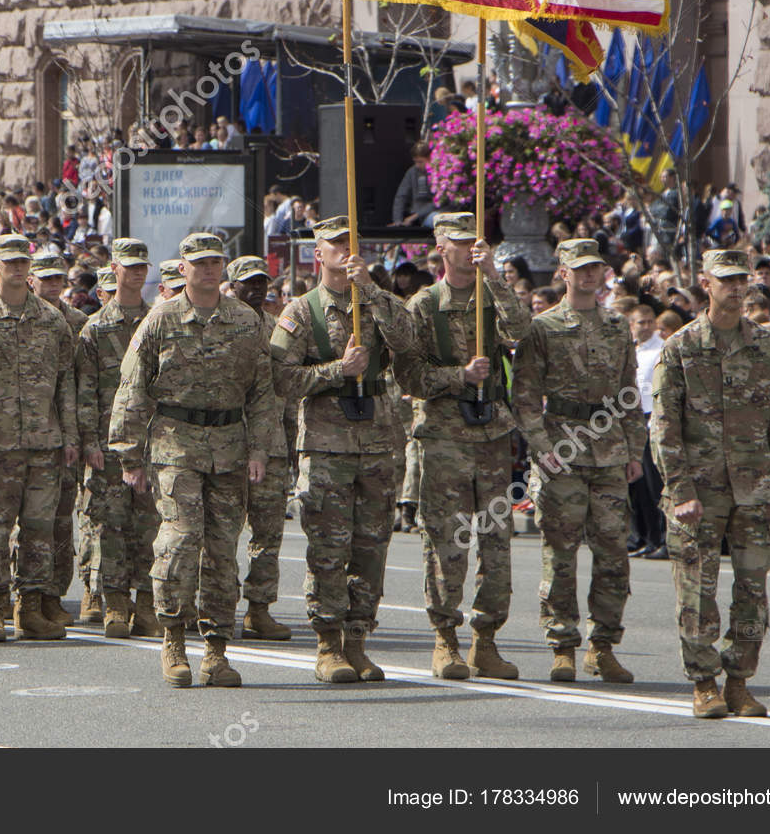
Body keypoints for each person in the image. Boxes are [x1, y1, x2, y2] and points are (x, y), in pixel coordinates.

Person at [108, 232, 284, 688]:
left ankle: (217, 651)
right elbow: (132, 389)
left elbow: (263, 392)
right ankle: (172, 638)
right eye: (199, 262)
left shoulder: (247, 321)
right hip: (175, 446)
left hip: (229, 447)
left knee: (223, 551)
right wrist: (129, 455)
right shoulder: (161, 320)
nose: (208, 269)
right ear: (182, 267)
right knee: (180, 541)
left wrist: (260, 448)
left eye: (214, 262)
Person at [652, 249, 770, 719]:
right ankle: (703, 683)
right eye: (727, 280)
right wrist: (681, 491)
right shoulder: (680, 347)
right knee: (698, 590)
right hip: (701, 490)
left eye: (742, 280)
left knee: (753, 589)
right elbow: (665, 428)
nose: (737, 288)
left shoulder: (767, 345)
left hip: (755, 488)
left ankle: (738, 682)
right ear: (706, 284)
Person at [391, 212, 531, 680]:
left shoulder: (493, 296)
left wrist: (495, 275)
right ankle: (445, 639)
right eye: (459, 242)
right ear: (439, 246)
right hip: (445, 436)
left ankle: (486, 640)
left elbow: (522, 334)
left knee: (496, 542)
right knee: (447, 541)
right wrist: (458, 376)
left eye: (477, 242)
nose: (471, 249)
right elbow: (408, 376)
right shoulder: (423, 305)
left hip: (492, 433)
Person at [269, 218, 408, 683]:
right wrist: (336, 371)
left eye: (353, 242)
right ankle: (328, 644)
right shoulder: (302, 311)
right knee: (329, 548)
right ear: (318, 254)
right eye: (337, 244)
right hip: (326, 447)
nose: (347, 251)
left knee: (371, 547)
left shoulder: (374, 302)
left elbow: (410, 343)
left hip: (377, 443)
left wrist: (371, 291)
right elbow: (281, 380)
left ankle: (358, 640)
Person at [510, 240, 644, 685]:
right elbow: (525, 395)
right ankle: (563, 646)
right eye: (580, 269)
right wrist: (539, 446)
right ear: (562, 273)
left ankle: (602, 647)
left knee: (612, 554)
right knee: (560, 554)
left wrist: (635, 450)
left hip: (609, 450)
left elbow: (630, 392)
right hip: (562, 447)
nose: (590, 275)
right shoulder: (543, 327)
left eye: (596, 268)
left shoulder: (616, 325)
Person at [0, 233, 80, 643]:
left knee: (40, 529)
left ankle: (32, 607)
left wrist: (69, 436)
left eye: (24, 262)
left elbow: (65, 384)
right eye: (11, 262)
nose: (19, 269)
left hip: (44, 443)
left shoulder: (52, 320)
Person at [75, 238, 161, 639]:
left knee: (150, 526)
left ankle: (146, 603)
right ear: (114, 269)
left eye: (143, 265)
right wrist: (90, 441)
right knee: (110, 526)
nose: (138, 272)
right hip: (110, 444)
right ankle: (115, 603)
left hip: (152, 442)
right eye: (130, 266)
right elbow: (86, 391)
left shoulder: (158, 320)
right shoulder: (96, 328)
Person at [226, 255, 296, 641]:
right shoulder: (218, 324)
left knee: (267, 534)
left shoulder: (277, 329)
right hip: (227, 445)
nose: (255, 290)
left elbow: (285, 390)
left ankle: (259, 609)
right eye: (247, 283)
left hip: (271, 446)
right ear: (231, 286)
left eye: (261, 283)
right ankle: (215, 607)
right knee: (221, 534)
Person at [30, 255, 91, 625]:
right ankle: (19, 595)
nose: (53, 285)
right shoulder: (25, 321)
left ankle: (53, 595)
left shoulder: (78, 323)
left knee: (61, 522)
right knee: (26, 523)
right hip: (22, 437)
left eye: (58, 279)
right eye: (46, 278)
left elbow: (81, 387)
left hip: (63, 436)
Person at [627, 304, 668, 560]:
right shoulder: (632, 349)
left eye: (649, 321)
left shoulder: (661, 347)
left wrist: (656, 418)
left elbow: (661, 386)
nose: (646, 326)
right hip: (631, 418)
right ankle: (643, 537)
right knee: (637, 484)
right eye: (640, 322)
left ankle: (662, 539)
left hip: (651, 415)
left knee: (655, 484)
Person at [391, 144, 436, 227]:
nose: (417, 165)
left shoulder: (437, 172)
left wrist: (415, 216)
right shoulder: (412, 172)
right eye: (415, 162)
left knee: (436, 218)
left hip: (434, 212)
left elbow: (439, 202)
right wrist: (397, 220)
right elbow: (401, 196)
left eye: (420, 162)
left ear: (430, 158)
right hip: (419, 215)